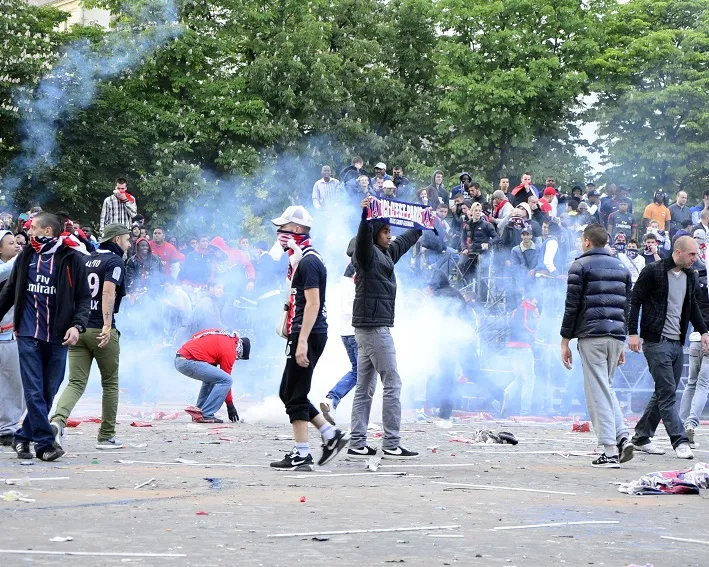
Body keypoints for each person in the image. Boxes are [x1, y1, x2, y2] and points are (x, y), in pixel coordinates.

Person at [0, 213, 90, 461]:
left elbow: (83, 298)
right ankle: (45, 444)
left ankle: (22, 436)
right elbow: (9, 293)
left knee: (50, 389)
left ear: (48, 231)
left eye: (33, 228)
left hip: (58, 336)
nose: (28, 233)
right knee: (34, 390)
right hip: (28, 333)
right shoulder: (26, 256)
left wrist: (77, 325)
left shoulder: (71, 258)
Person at [269, 205, 349, 471]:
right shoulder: (300, 259)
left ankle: (302, 452)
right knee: (288, 391)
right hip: (304, 330)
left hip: (310, 332)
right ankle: (329, 434)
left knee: (295, 394)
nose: (280, 233)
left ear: (299, 229)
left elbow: (313, 304)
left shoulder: (309, 261)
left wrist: (301, 340)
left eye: (285, 227)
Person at [348, 197, 422, 460]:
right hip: (375, 328)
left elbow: (404, 242)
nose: (390, 237)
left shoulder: (386, 253)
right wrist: (366, 215)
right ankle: (391, 443)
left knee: (364, 386)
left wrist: (420, 226)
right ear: (375, 233)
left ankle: (357, 441)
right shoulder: (365, 255)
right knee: (392, 383)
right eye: (385, 231)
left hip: (368, 328)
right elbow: (364, 236)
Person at [51, 224, 132, 450]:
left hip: (80, 328)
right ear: (116, 240)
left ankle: (57, 421)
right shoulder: (114, 261)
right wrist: (107, 325)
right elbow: (108, 291)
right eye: (126, 239)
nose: (129, 244)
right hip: (101, 330)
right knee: (110, 384)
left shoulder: (87, 259)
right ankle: (106, 437)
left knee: (75, 382)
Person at [628, 236, 709, 459]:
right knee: (667, 393)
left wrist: (704, 332)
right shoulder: (653, 271)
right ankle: (679, 439)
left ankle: (641, 436)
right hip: (655, 342)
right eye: (692, 254)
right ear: (678, 252)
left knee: (665, 391)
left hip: (677, 342)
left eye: (697, 254)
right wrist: (632, 333)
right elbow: (635, 301)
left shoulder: (690, 276)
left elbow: (692, 306)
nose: (696, 258)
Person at [560, 224, 634, 468]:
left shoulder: (579, 266)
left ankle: (610, 451)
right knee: (606, 388)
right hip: (615, 336)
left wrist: (564, 341)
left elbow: (572, 307)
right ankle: (622, 436)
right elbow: (626, 308)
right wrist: (622, 340)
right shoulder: (623, 267)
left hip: (591, 336)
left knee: (597, 393)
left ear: (587, 241)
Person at [320, 240, 357, 425]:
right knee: (361, 372)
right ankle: (333, 398)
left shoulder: (348, 273)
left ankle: (334, 400)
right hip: (357, 329)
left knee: (361, 371)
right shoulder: (360, 272)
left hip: (346, 329)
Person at [177, 329, 250, 423]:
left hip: (180, 358)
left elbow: (196, 335)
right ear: (240, 349)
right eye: (239, 356)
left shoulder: (225, 336)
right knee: (227, 380)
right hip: (187, 361)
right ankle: (207, 414)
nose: (236, 358)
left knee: (212, 378)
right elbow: (226, 379)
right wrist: (230, 405)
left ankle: (199, 411)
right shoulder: (230, 349)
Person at [679, 254, 709, 448]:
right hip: (706, 339)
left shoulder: (696, 290)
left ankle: (681, 425)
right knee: (703, 384)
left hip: (695, 338)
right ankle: (691, 422)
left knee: (691, 383)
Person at [0, 231, 22, 446]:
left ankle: (8, 427)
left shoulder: (18, 269)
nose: (17, 246)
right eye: (11, 243)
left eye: (18, 243)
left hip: (11, 336)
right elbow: (5, 270)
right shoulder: (9, 267)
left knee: (15, 384)